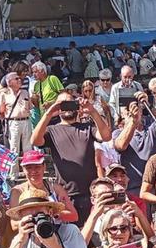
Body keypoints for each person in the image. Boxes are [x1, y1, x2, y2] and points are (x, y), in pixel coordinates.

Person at [31, 92, 111, 225]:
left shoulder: (87, 127)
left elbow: (106, 136)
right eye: (63, 104)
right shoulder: (51, 130)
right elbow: (35, 140)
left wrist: (92, 112)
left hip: (90, 194)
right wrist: (49, 113)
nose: (67, 108)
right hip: (66, 196)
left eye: (70, 103)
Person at [0, 71, 31, 156]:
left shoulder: (25, 92)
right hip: (13, 122)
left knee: (28, 148)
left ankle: (28, 168)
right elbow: (1, 112)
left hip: (26, 121)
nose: (19, 80)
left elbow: (30, 107)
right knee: (14, 148)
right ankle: (14, 169)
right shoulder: (4, 94)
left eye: (19, 78)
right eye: (16, 79)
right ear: (9, 82)